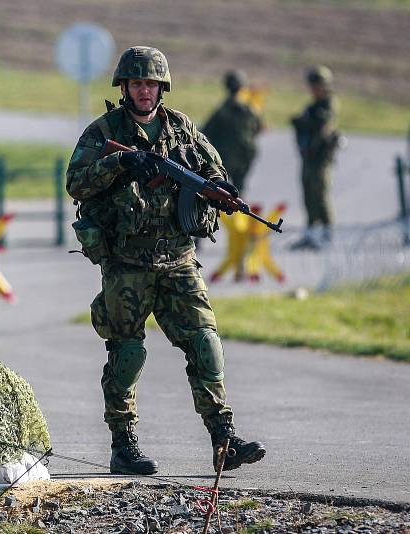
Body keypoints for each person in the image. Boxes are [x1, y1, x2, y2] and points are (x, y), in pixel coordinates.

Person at [66, 46, 266, 475]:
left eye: (151, 83)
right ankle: (123, 444)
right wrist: (121, 162)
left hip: (178, 259)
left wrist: (220, 194)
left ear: (161, 87)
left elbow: (213, 172)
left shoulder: (181, 128)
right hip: (126, 262)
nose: (144, 90)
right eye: (136, 83)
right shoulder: (103, 132)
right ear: (124, 87)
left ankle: (223, 438)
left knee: (205, 344)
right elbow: (76, 182)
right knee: (127, 353)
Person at [290, 65, 341, 250]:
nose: (313, 89)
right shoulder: (312, 108)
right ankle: (311, 236)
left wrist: (306, 123)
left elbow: (322, 126)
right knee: (308, 197)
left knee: (321, 197)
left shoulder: (329, 104)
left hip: (321, 161)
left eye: (317, 85)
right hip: (309, 159)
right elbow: (303, 125)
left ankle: (327, 237)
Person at [202, 70, 263, 196]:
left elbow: (207, 132)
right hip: (244, 157)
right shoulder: (249, 110)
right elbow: (258, 128)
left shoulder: (222, 111)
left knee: (222, 191)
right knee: (239, 192)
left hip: (225, 158)